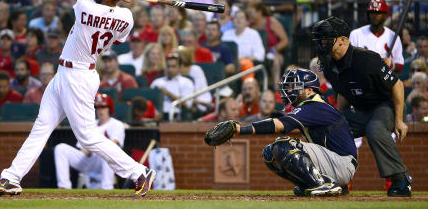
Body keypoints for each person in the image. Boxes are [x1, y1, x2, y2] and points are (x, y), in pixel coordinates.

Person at [0, 0, 156, 197]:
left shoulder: (85, 5)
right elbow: (117, 31)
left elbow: (92, 1)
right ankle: (11, 178)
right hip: (67, 73)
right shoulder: (127, 18)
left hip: (78, 76)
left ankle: (138, 172)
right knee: (42, 126)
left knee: (87, 136)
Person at [312, 16, 412, 197]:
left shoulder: (367, 59)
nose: (322, 43)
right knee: (330, 128)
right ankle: (334, 180)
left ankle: (400, 179)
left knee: (374, 128)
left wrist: (399, 120)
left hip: (386, 105)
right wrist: (337, 119)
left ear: (343, 40)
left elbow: (396, 85)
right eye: (321, 39)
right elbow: (343, 92)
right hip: (360, 110)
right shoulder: (329, 66)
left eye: (327, 38)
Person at [220, 68, 358, 197]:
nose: (289, 90)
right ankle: (311, 184)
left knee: (284, 145)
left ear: (309, 90)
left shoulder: (315, 105)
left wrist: (240, 130)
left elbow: (280, 125)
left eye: (295, 87)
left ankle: (321, 184)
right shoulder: (313, 104)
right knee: (269, 153)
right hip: (336, 162)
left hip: (342, 163)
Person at [54, 93, 125, 190]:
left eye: (103, 107)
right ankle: (64, 186)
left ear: (109, 109)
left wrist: (94, 147)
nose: (100, 110)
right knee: (60, 148)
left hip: (105, 161)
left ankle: (107, 188)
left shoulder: (117, 124)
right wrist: (87, 149)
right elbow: (81, 147)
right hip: (88, 159)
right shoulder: (90, 124)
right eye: (98, 107)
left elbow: (115, 144)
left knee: (107, 151)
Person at [349, 0, 404, 73]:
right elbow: (349, 61)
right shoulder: (356, 34)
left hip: (385, 81)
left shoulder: (393, 36)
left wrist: (390, 65)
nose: (374, 16)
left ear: (385, 16)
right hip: (363, 79)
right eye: (372, 13)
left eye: (378, 13)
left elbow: (399, 65)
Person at [150, 53, 194, 120]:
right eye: (168, 66)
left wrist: (167, 93)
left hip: (177, 115)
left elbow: (187, 105)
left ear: (179, 67)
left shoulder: (186, 82)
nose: (170, 69)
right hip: (157, 116)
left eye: (173, 66)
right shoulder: (157, 82)